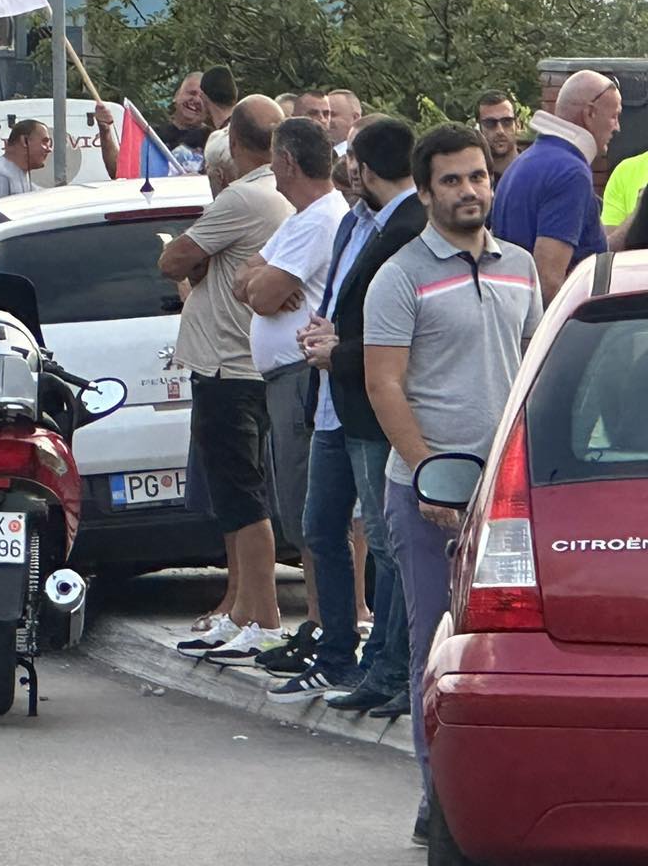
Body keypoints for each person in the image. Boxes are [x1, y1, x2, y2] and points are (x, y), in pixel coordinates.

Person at [364, 123, 542, 846]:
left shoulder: (521, 266)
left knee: (508, 654)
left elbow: (533, 372)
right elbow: (383, 384)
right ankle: (438, 802)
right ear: (424, 191)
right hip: (427, 497)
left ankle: (508, 796)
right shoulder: (399, 276)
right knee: (436, 652)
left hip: (509, 498)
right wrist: (430, 477)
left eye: (478, 177)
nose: (470, 191)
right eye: (452, 181)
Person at [159, 96, 292, 662]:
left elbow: (172, 261)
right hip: (246, 363)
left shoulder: (243, 196)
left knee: (244, 497)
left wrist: (194, 256)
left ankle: (264, 616)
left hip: (228, 366)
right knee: (237, 495)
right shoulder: (281, 195)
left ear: (234, 143)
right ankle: (240, 609)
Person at [298, 117, 422, 722]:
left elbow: (399, 333)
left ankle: (387, 664)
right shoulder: (359, 220)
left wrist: (338, 351)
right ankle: (345, 652)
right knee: (325, 527)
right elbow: (345, 300)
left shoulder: (408, 228)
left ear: (364, 169)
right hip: (335, 400)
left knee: (387, 541)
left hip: (371, 408)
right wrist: (325, 335)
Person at [232, 116, 348, 692]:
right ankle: (321, 626)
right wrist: (261, 281)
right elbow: (245, 280)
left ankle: (329, 627)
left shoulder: (320, 219)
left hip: (303, 377)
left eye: (274, 162)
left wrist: (264, 283)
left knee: (312, 510)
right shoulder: (300, 220)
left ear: (287, 162)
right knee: (301, 507)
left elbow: (263, 293)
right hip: (285, 378)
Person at [489, 68, 628, 303]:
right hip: (549, 322)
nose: (617, 127)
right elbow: (549, 283)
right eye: (614, 116)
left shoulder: (523, 162)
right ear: (590, 113)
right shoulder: (571, 172)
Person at [0, 119, 50, 203]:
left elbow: (41, 194)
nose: (49, 149)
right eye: (44, 142)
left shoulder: (17, 172)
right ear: (25, 141)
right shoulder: (0, 176)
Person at [474, 90, 523, 184]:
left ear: (518, 125)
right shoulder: (472, 177)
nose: (500, 131)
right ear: (478, 128)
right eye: (490, 123)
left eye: (507, 121)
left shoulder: (536, 170)